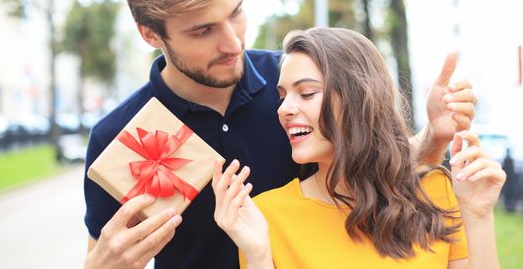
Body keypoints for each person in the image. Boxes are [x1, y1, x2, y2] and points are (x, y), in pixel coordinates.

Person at [83, 0, 478, 269]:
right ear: (152, 35)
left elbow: (376, 170)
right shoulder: (118, 136)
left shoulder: (294, 83)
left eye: (236, 13)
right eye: (203, 31)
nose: (233, 42)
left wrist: (434, 137)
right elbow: (109, 251)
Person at [213, 27, 506, 269]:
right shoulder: (265, 216)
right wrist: (258, 257)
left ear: (358, 99)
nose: (284, 109)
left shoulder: (434, 191)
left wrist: (479, 217)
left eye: (306, 93)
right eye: (283, 96)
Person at [502, 148, 517, 212]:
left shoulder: (508, 160)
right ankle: (508, 207)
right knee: (508, 194)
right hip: (508, 180)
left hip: (508, 180)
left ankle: (510, 207)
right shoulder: (509, 160)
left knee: (509, 194)